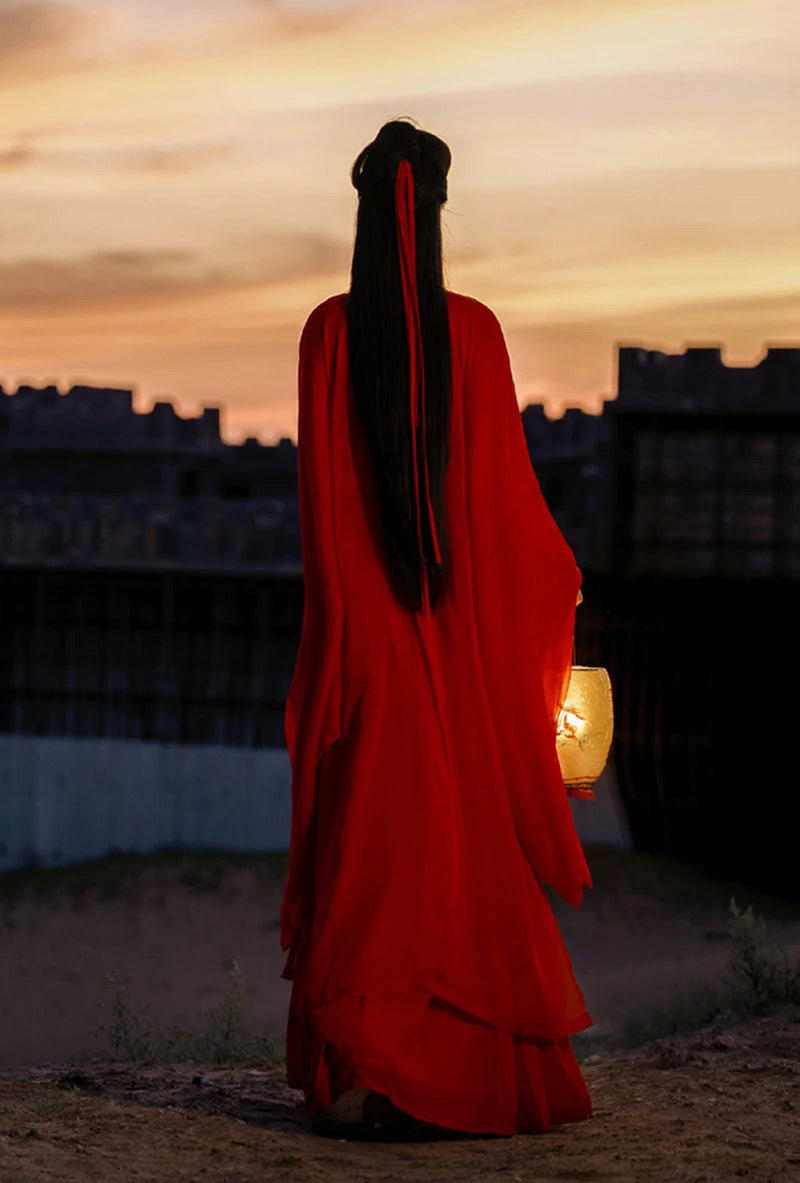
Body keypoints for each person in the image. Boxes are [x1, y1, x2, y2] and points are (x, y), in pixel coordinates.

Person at [280, 116, 594, 1141]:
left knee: (379, 846)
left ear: (363, 210)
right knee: (455, 846)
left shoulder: (327, 332)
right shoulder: (480, 332)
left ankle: (382, 1074)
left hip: (369, 636)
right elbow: (505, 518)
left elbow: (325, 525)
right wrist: (555, 599)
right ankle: (449, 1074)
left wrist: (338, 654)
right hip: (454, 638)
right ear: (437, 212)